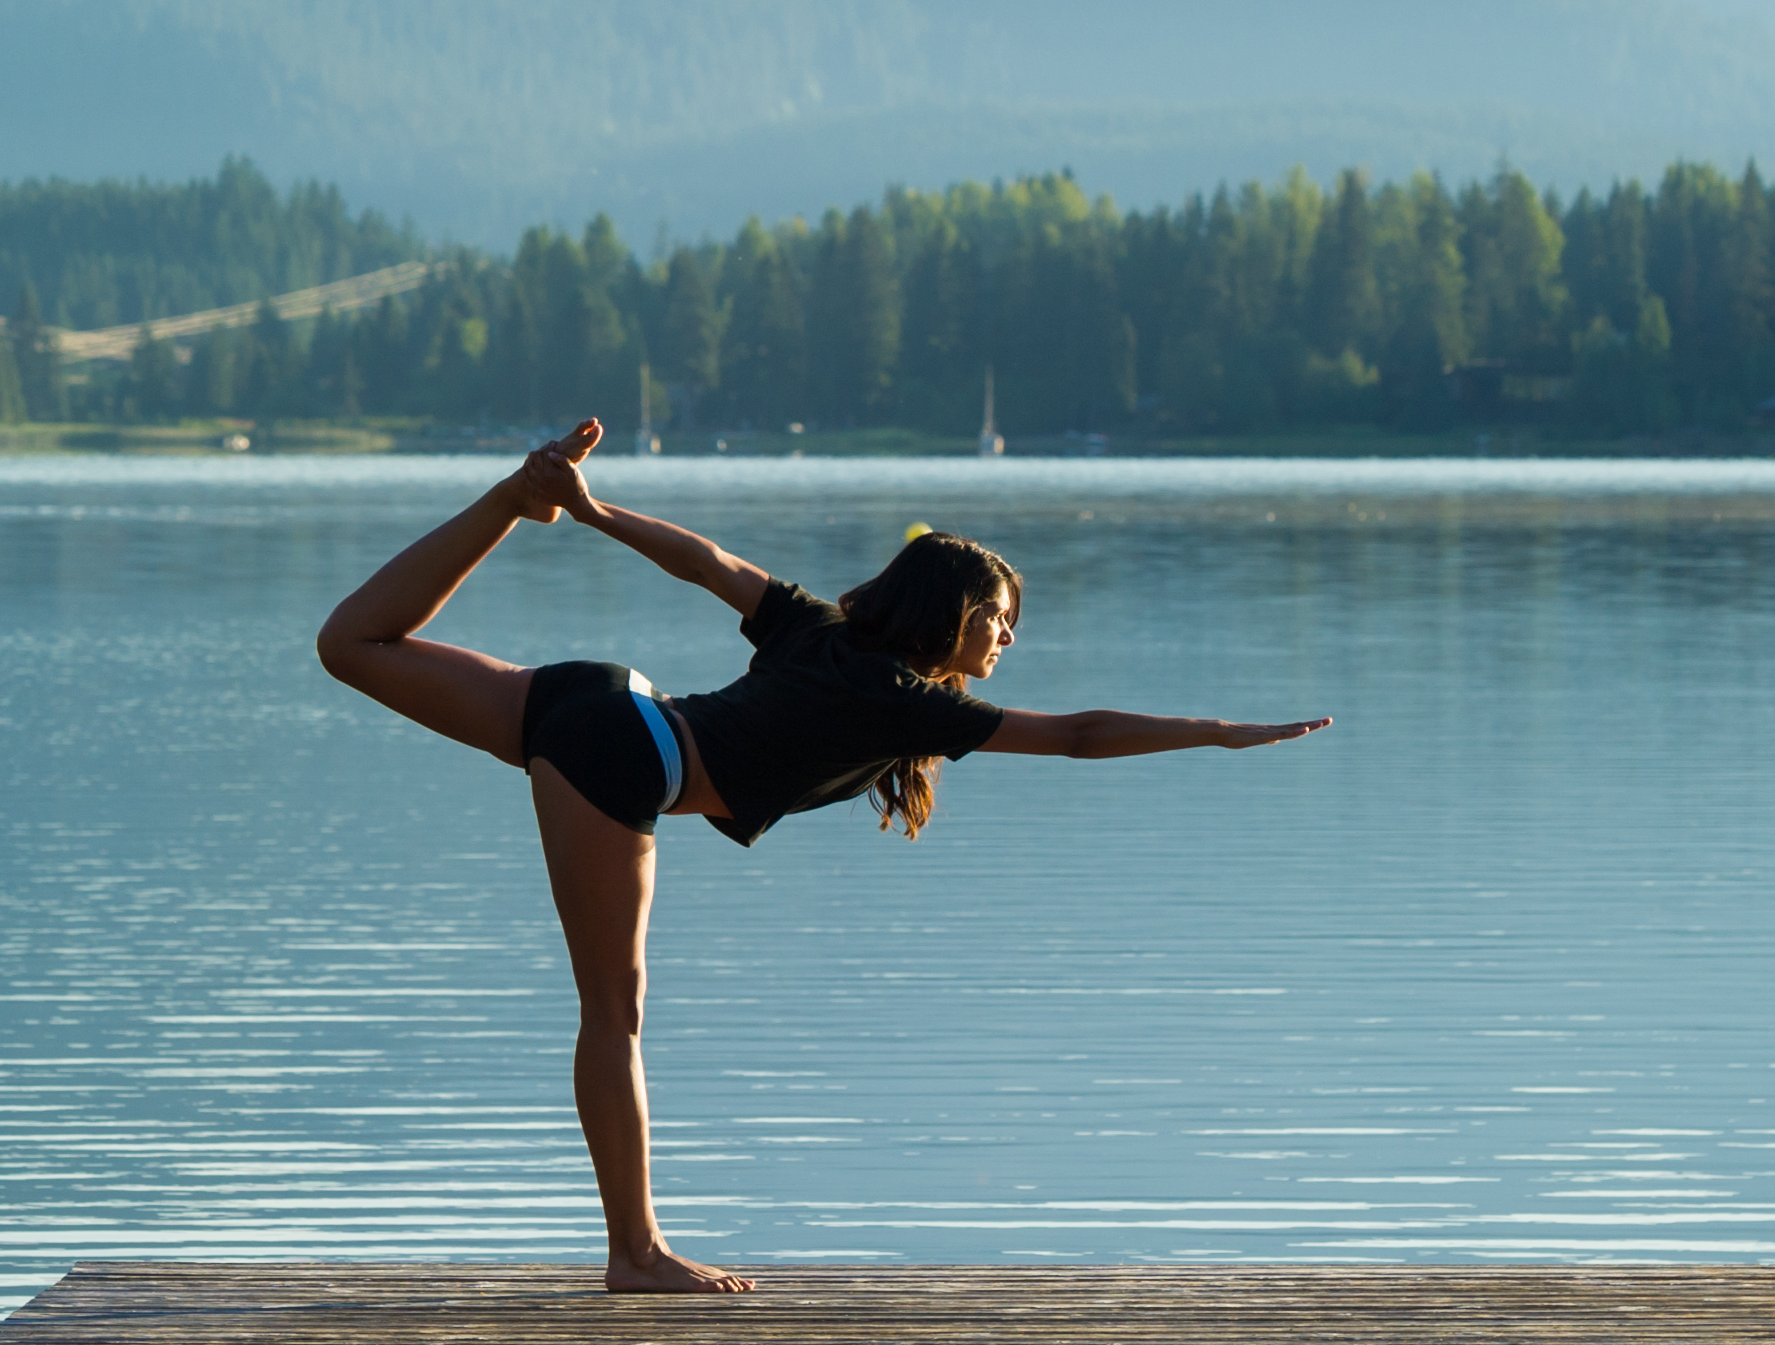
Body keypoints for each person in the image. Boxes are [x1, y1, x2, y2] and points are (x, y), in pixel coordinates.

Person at [316, 417, 1330, 1294]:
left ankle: (508, 501)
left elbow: (709, 562)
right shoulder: (902, 699)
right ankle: (636, 1252)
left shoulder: (823, 635)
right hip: (624, 752)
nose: (1007, 645)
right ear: (965, 616)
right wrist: (1216, 729)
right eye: (1004, 627)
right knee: (611, 1012)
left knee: (350, 645)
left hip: (603, 700)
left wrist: (587, 511)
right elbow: (1075, 735)